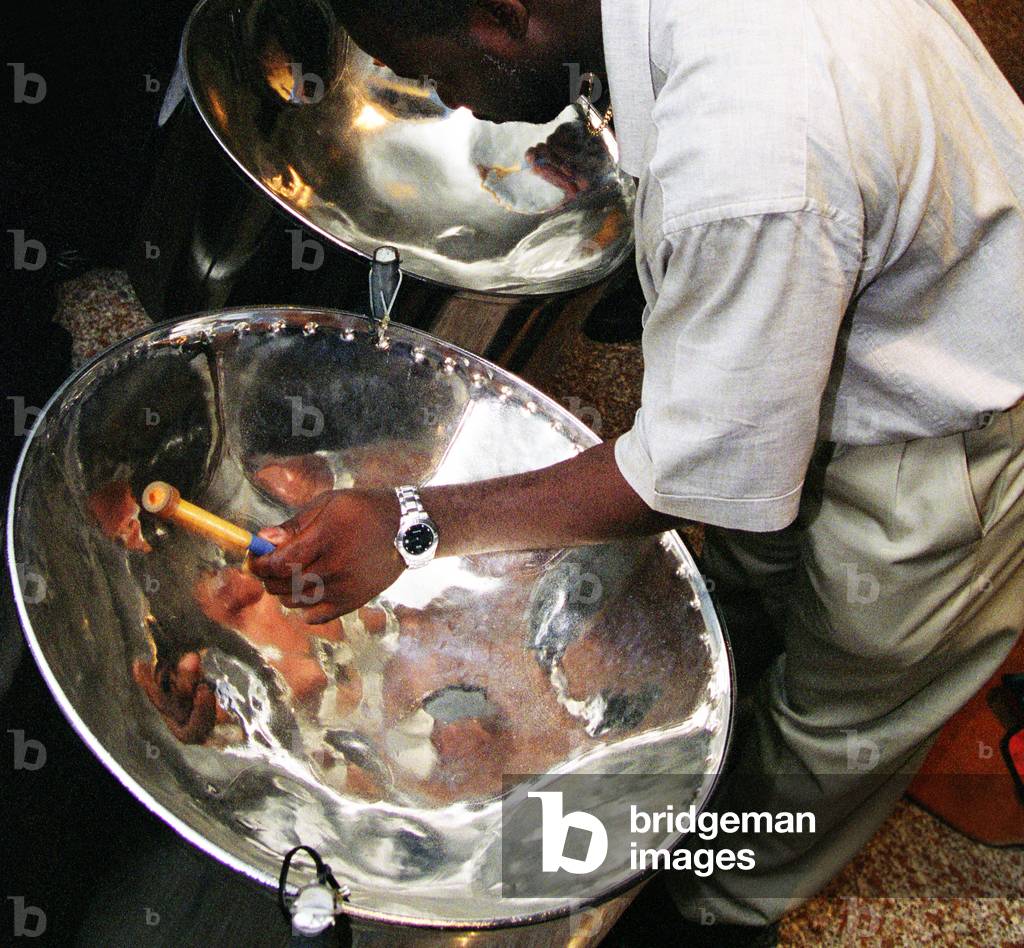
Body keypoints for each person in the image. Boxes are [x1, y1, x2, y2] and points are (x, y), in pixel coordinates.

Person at [249, 0, 1024, 938]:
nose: (452, 99)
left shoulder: (753, 152)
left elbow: (678, 478)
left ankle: (717, 904)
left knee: (833, 724)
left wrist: (410, 518)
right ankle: (712, 731)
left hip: (949, 444)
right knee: (752, 588)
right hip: (854, 342)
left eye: (435, 71)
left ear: (500, 18)